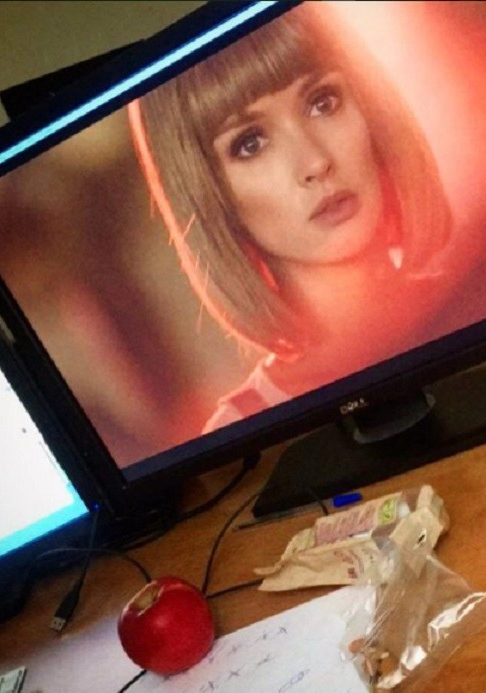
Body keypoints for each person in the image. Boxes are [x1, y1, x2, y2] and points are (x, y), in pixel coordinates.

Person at [127, 2, 453, 431]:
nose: (315, 162)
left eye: (323, 102)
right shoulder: (239, 432)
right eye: (250, 143)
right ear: (211, 195)